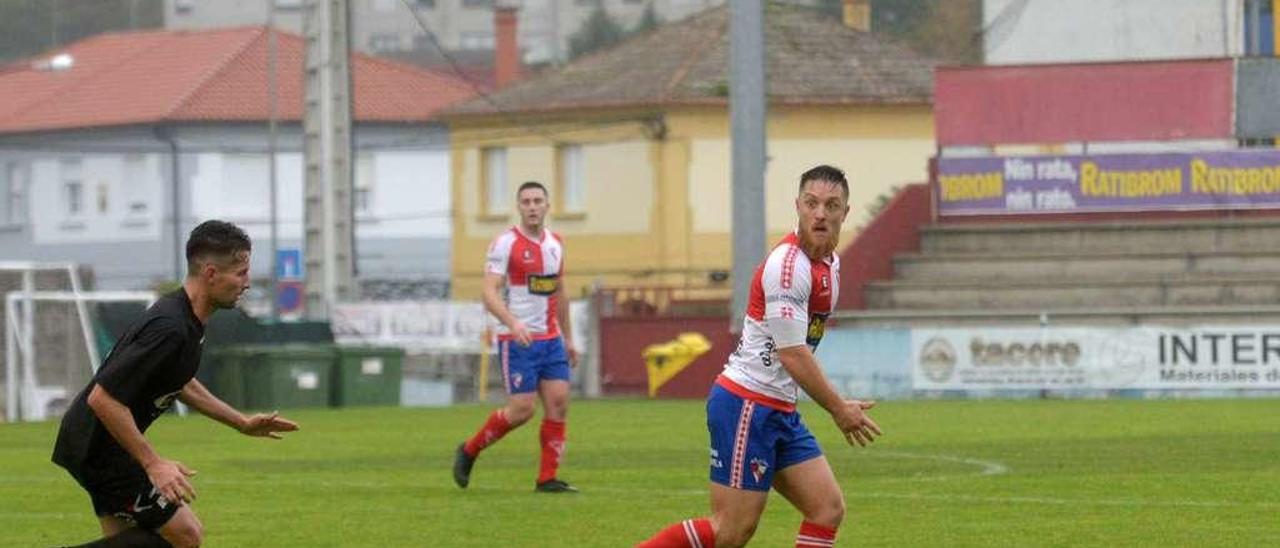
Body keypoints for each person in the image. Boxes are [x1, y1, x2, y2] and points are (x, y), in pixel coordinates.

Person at [638, 165, 882, 548]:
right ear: (797, 207)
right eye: (812, 203)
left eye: (831, 205)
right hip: (747, 404)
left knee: (826, 509)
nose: (820, 213)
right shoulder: (787, 268)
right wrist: (838, 408)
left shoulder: (831, 265)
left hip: (779, 409)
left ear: (845, 213)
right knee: (730, 532)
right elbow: (793, 355)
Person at [52, 220, 299, 548]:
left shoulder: (187, 320)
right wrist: (154, 463)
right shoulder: (170, 326)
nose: (247, 283)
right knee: (185, 535)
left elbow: (179, 381)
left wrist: (241, 422)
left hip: (96, 443)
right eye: (240, 273)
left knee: (129, 540)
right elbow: (102, 399)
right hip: (99, 449)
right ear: (210, 273)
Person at [453, 180, 579, 493]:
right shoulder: (505, 244)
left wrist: (569, 338)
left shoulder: (556, 243)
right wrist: (512, 323)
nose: (533, 207)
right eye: (526, 202)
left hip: (550, 339)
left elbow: (560, 292)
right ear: (519, 207)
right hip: (518, 340)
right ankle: (469, 450)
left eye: (538, 201)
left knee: (559, 402)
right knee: (522, 410)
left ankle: (547, 478)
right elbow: (489, 291)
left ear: (548, 206)